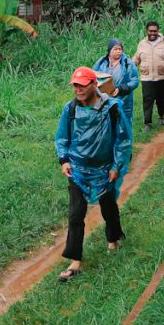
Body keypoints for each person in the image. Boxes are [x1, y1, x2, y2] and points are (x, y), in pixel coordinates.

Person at [55, 67, 133, 281]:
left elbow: (122, 140)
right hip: (78, 170)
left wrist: (116, 167)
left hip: (104, 169)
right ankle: (75, 260)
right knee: (75, 214)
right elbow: (62, 137)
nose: (78, 89)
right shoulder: (70, 109)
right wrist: (64, 160)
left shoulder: (112, 109)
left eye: (82, 85)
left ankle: (113, 237)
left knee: (108, 207)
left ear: (94, 84)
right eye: (75, 85)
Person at [132, 22, 164, 131]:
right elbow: (137, 57)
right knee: (147, 100)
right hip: (147, 78)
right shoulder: (142, 43)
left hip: (162, 77)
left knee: (161, 99)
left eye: (155, 31)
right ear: (147, 31)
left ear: (158, 31)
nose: (152, 33)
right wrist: (131, 65)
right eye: (150, 31)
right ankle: (148, 123)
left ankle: (161, 116)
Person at [92, 38, 139, 128]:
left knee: (123, 123)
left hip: (123, 100)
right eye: (115, 49)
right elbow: (93, 75)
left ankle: (124, 140)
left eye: (120, 49)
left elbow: (135, 81)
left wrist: (120, 88)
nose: (118, 51)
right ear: (109, 50)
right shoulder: (102, 62)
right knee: (106, 123)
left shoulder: (127, 63)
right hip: (104, 99)